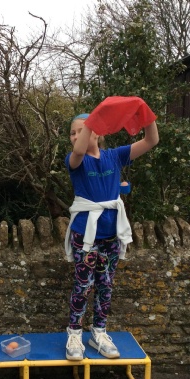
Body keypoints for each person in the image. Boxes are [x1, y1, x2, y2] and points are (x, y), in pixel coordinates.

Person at [64, 101, 159, 361]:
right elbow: (79, 149)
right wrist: (93, 120)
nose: (76, 136)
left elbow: (151, 140)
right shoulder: (75, 160)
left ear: (98, 133)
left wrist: (145, 113)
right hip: (85, 235)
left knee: (105, 286)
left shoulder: (115, 156)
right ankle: (74, 334)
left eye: (82, 130)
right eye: (72, 132)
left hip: (111, 235)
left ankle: (99, 333)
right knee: (83, 285)